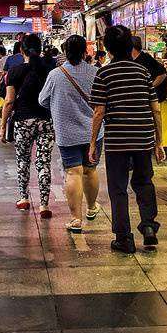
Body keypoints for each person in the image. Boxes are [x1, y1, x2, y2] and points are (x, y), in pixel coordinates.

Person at [90, 25, 165, 253]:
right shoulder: (143, 72)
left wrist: (93, 142)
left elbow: (99, 112)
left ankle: (124, 238)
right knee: (144, 182)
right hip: (143, 137)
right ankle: (149, 226)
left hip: (117, 140)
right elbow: (156, 109)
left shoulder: (103, 74)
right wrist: (159, 141)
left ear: (108, 48)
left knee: (118, 188)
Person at [40, 34, 102, 233]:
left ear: (65, 52)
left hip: (66, 132)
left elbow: (42, 100)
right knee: (90, 170)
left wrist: (59, 105)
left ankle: (76, 219)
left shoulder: (56, 74)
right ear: (85, 52)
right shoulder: (95, 72)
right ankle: (92, 208)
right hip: (93, 132)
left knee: (72, 172)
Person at [1, 34, 56, 217]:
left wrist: (2, 127)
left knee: (23, 160)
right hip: (46, 121)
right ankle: (44, 205)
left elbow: (9, 102)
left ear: (21, 50)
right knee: (43, 162)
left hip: (23, 121)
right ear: (40, 50)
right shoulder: (50, 69)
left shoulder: (14, 71)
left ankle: (24, 198)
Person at [131, 36, 167, 102]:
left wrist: (150, 88)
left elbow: (162, 74)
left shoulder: (146, 58)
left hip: (154, 98)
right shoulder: (133, 59)